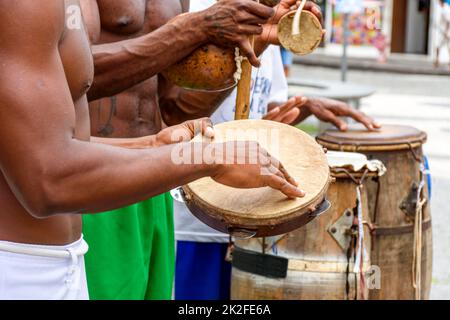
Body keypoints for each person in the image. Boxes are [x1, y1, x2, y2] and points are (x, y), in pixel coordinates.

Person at [0, 0, 304, 300]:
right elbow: (48, 177)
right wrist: (206, 157)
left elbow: (173, 110)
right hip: (29, 255)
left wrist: (150, 144)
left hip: (85, 234)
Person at [173, 0, 381, 301]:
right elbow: (174, 111)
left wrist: (305, 108)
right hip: (198, 223)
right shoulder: (199, 11)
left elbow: (269, 111)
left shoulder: (267, 25)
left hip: (257, 218)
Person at [435, 0, 450, 68]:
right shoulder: (439, 7)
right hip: (441, 31)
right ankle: (437, 61)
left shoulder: (446, 8)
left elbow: (448, 21)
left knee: (448, 46)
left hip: (446, 31)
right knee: (438, 45)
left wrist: (446, 32)